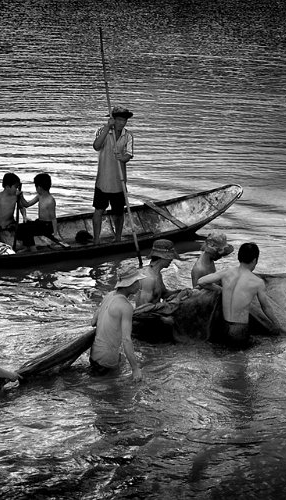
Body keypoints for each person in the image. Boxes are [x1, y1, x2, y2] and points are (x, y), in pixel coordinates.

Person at [197, 242, 286, 348]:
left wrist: (220, 289)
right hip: (239, 330)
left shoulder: (227, 272)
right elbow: (266, 307)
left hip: (222, 328)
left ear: (239, 258)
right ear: (254, 260)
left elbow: (201, 282)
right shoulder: (257, 282)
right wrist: (279, 326)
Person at [89, 270, 144, 381]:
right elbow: (126, 340)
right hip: (107, 359)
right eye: (136, 281)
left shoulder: (109, 295)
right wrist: (135, 369)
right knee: (113, 394)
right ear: (128, 284)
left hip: (94, 353)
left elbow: (93, 322)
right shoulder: (126, 306)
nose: (139, 285)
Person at [92, 106, 134, 244]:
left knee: (119, 213)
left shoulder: (127, 136)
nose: (122, 123)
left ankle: (117, 237)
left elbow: (129, 155)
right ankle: (96, 240)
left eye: (124, 120)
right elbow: (96, 146)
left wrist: (121, 157)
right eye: (120, 119)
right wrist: (107, 128)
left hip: (119, 181)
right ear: (113, 120)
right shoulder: (102, 131)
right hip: (103, 180)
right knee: (98, 210)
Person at [15, 173, 63, 252]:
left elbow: (53, 218)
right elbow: (26, 204)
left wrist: (55, 233)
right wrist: (21, 196)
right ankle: (28, 246)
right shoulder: (39, 196)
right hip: (40, 222)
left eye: (36, 187)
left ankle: (33, 249)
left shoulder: (50, 201)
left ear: (39, 187)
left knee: (28, 230)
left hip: (47, 226)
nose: (36, 189)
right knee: (22, 227)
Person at [136, 239, 180, 307]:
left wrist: (180, 292)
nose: (171, 259)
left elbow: (164, 294)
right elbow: (142, 308)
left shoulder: (157, 275)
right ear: (162, 257)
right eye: (170, 256)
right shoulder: (148, 278)